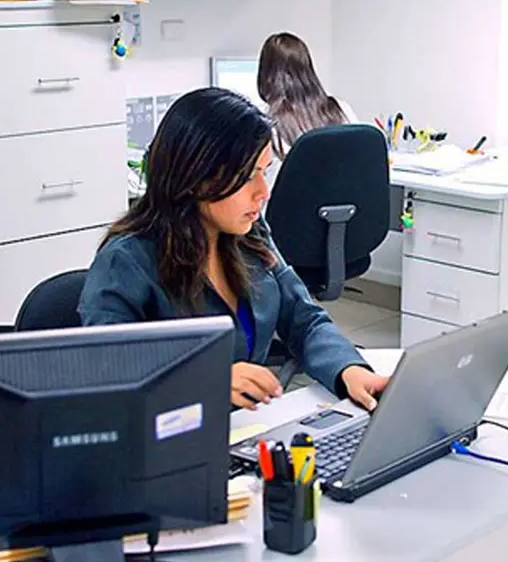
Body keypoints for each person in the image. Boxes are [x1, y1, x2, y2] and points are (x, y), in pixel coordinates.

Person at [77, 87, 389, 411]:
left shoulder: (249, 234)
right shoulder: (127, 260)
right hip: (169, 442)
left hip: (242, 431)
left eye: (264, 173)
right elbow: (106, 367)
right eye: (247, 177)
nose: (263, 192)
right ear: (197, 176)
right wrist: (206, 378)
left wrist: (349, 370)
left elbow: (303, 318)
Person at [256, 32, 359, 188]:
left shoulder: (265, 122)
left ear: (267, 75)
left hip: (288, 210)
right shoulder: (341, 109)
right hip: (343, 208)